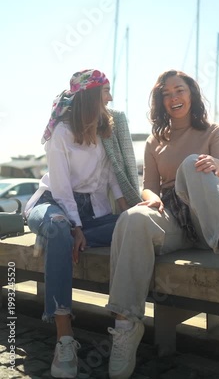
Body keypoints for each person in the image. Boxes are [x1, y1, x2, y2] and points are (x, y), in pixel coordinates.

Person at [105, 69, 219, 379]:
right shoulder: (155, 141)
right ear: (161, 101)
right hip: (173, 219)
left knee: (193, 162)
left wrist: (213, 164)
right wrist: (152, 199)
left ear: (191, 94)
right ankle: (125, 326)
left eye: (180, 90)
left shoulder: (215, 132)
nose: (174, 97)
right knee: (132, 218)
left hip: (210, 220)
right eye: (166, 93)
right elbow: (149, 185)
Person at [24, 69, 140, 379]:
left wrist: (132, 211)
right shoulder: (61, 132)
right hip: (53, 203)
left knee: (132, 228)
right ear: (91, 95)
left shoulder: (106, 130)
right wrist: (74, 227)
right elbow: (61, 189)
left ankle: (55, 237)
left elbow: (114, 176)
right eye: (106, 92)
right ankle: (64, 337)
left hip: (92, 214)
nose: (111, 98)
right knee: (60, 227)